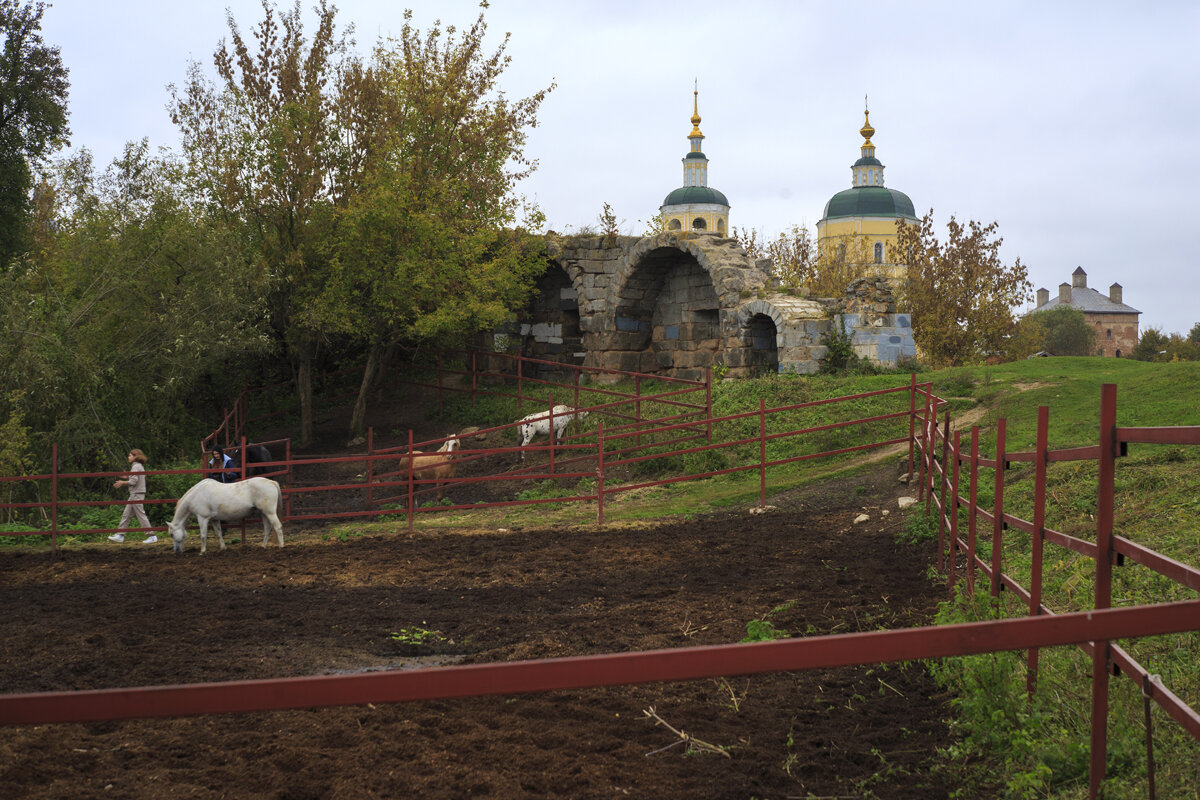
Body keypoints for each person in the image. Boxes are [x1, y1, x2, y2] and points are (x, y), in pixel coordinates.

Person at [108, 449, 155, 543]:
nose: (128, 457)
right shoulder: (138, 466)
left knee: (140, 515)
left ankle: (152, 536)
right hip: (135, 494)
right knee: (126, 514)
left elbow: (134, 482)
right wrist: (128, 477)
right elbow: (135, 478)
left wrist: (122, 482)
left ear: (135, 456)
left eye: (130, 455)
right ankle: (120, 535)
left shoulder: (136, 466)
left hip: (136, 494)